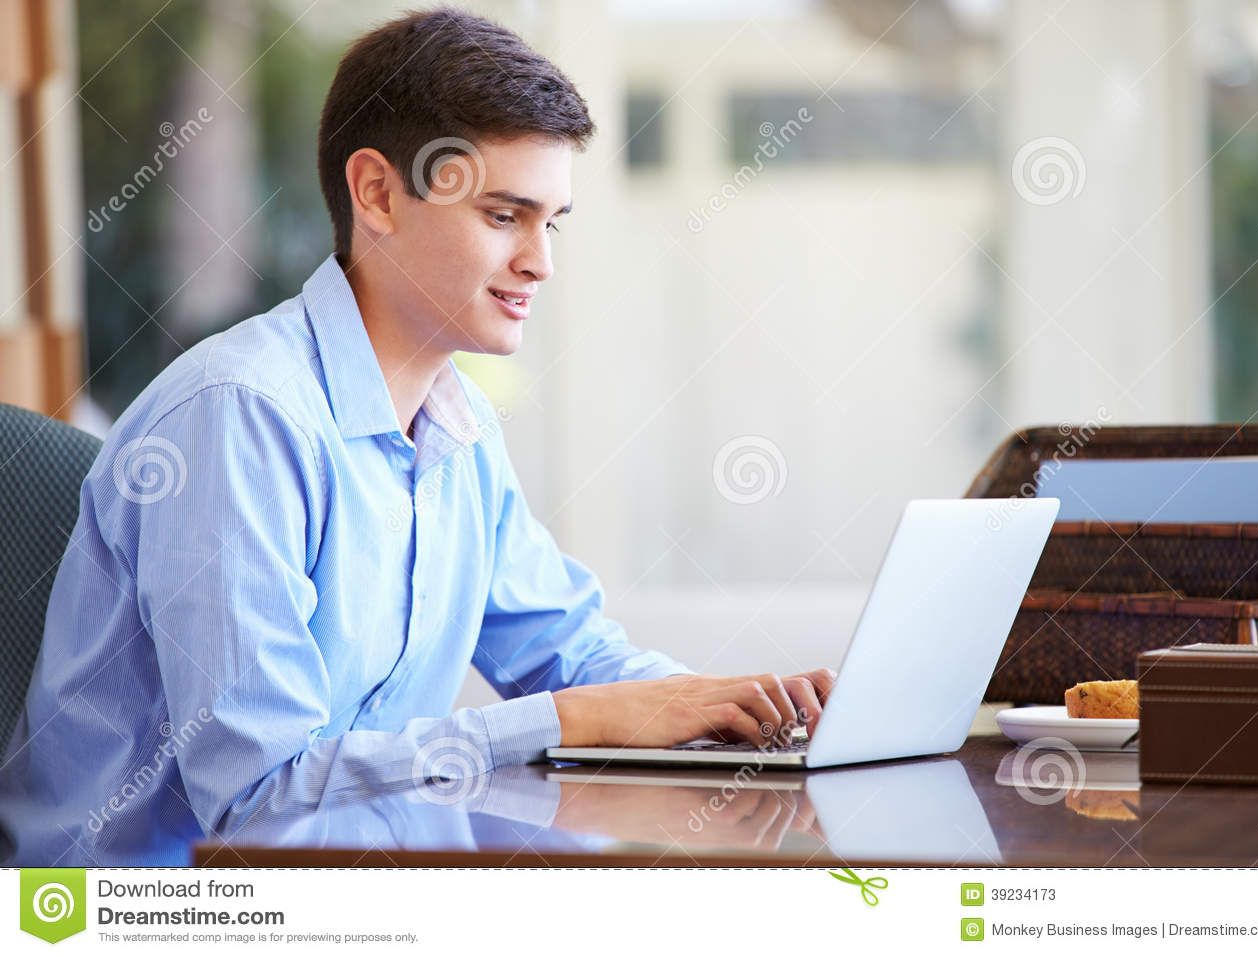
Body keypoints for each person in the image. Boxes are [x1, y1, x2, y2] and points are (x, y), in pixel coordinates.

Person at [2, 7, 833, 853]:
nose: (541, 260)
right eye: (505, 215)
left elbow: (572, 654)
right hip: (144, 913)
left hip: (358, 890)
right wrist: (569, 721)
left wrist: (732, 711)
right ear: (377, 194)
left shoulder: (456, 426)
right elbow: (260, 801)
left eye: (553, 222)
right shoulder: (240, 415)